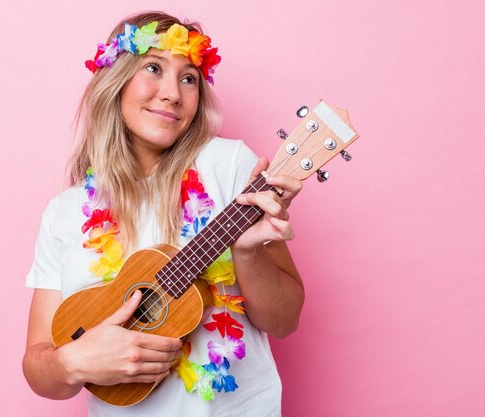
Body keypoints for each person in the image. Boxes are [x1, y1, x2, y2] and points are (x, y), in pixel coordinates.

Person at [23, 11, 304, 417]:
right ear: (114, 80)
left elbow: (284, 321)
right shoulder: (65, 212)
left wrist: (247, 253)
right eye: (153, 68)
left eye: (188, 78)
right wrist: (76, 361)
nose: (172, 93)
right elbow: (38, 367)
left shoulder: (228, 168)